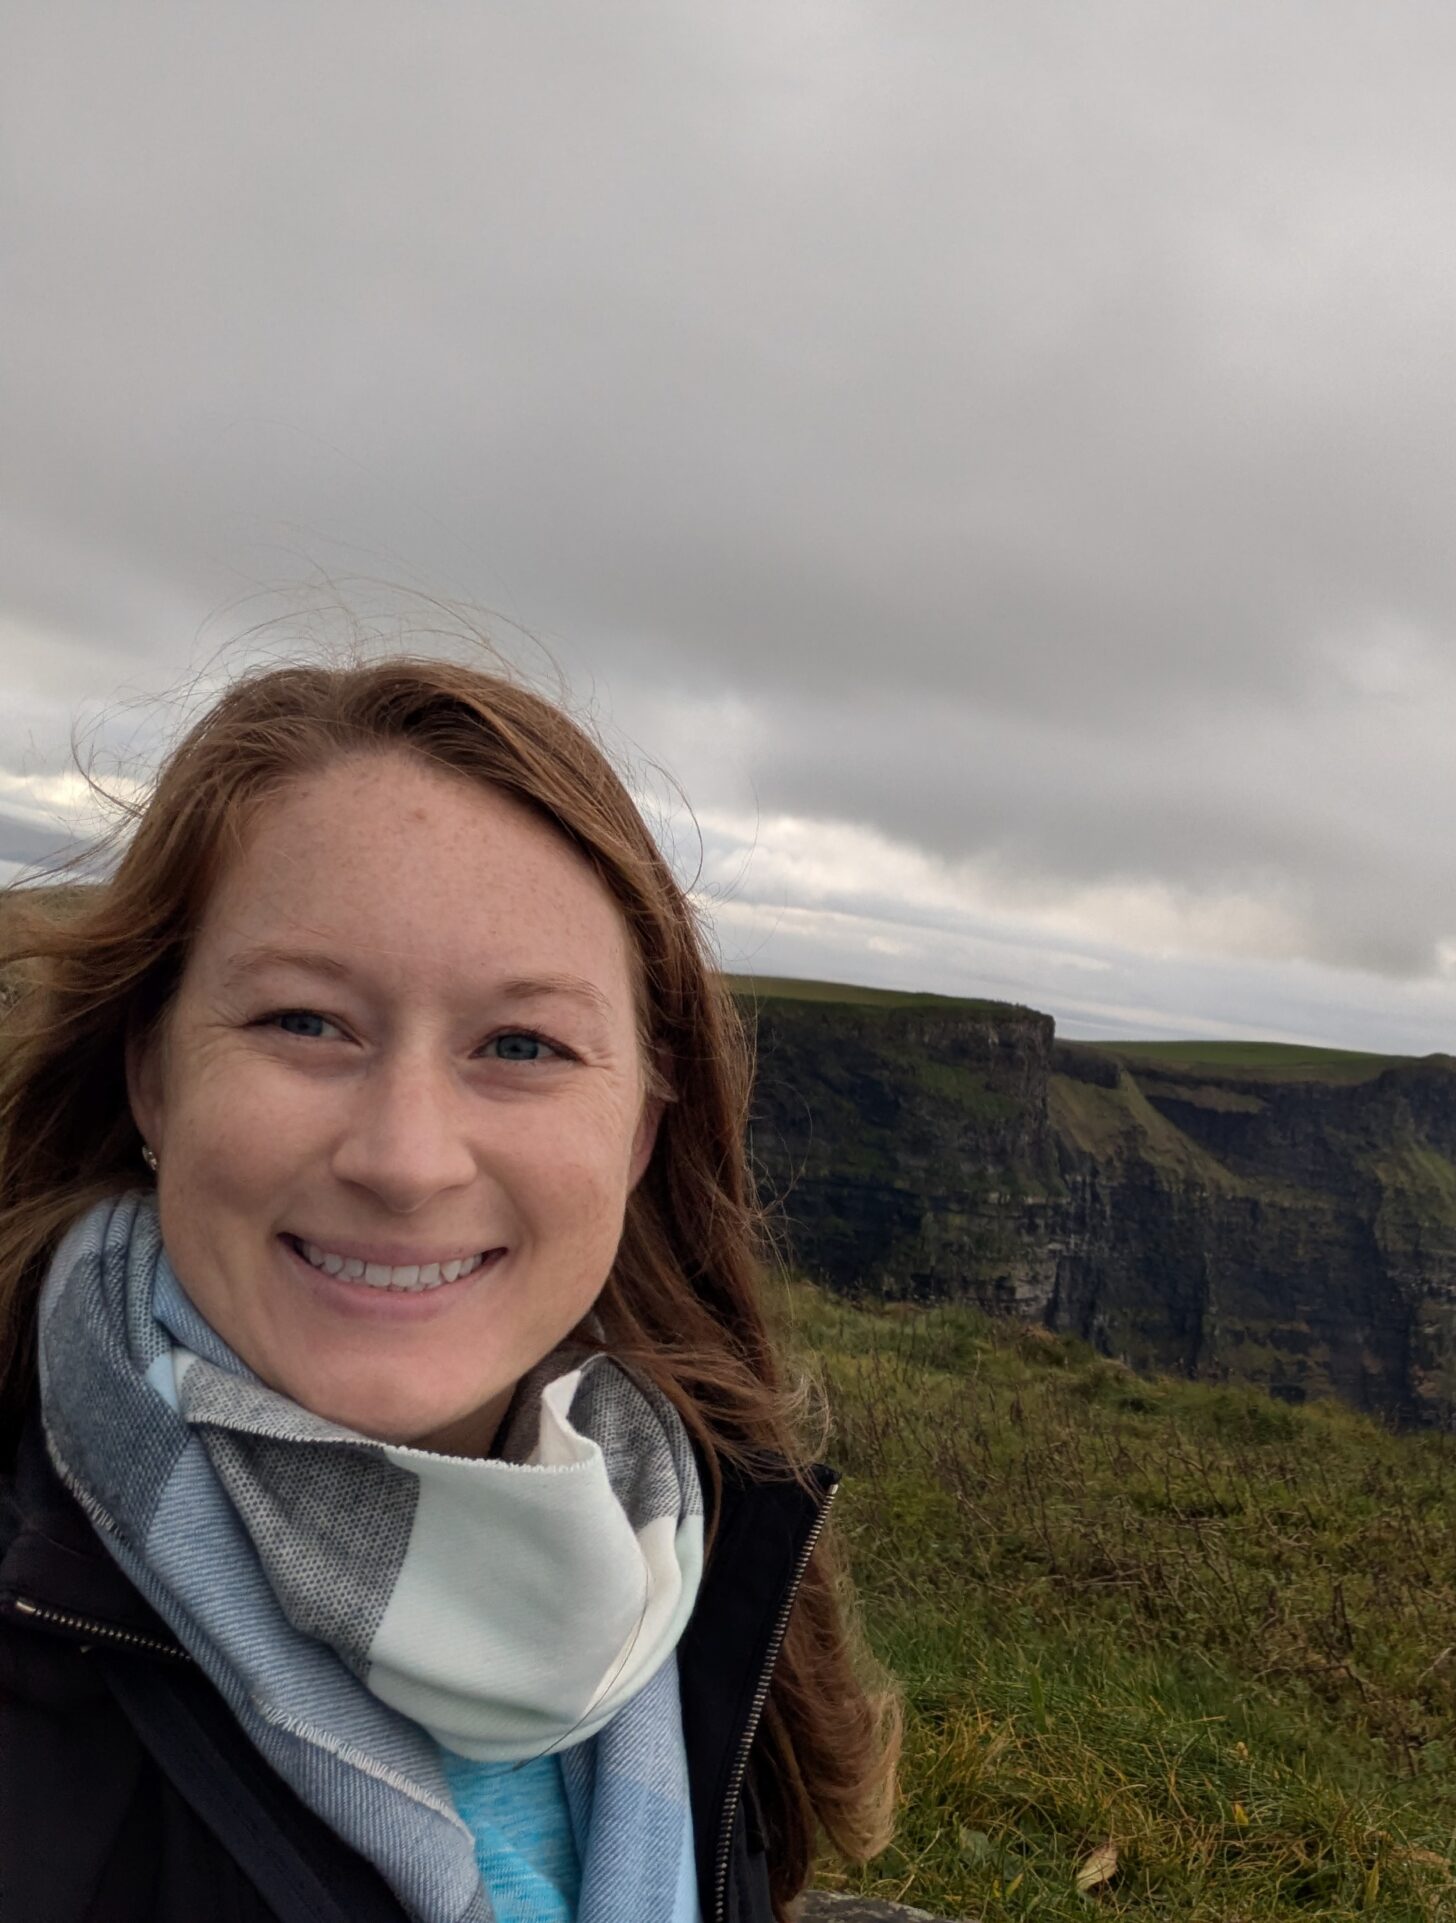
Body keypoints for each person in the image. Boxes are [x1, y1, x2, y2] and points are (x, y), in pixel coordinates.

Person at [0, 655, 900, 1922]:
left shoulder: (694, 1545)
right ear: (153, 1076)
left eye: (521, 1046)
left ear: (640, 1133)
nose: (405, 1160)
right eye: (306, 1022)